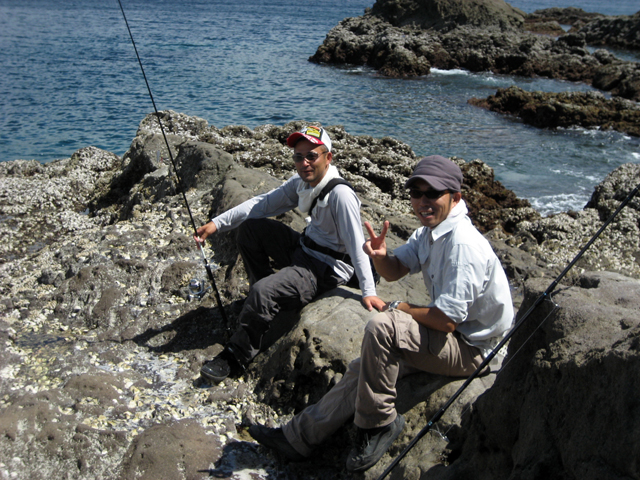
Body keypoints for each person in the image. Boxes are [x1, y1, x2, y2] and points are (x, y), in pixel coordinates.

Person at [248, 155, 514, 472]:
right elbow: (395, 270)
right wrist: (380, 257)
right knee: (364, 367)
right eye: (416, 193)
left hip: (475, 348)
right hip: (451, 335)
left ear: (455, 197)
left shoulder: (463, 246)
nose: (422, 201)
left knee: (383, 327)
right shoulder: (431, 232)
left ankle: (379, 424)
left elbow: (446, 320)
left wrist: (400, 307)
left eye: (433, 193)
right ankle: (298, 438)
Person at [194, 125, 385, 383]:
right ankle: (264, 303)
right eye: (298, 156)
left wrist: (369, 291)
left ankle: (237, 355)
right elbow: (261, 204)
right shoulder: (302, 184)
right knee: (250, 229)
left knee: (263, 291)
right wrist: (216, 224)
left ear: (328, 157)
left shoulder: (340, 195)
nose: (304, 163)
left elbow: (356, 245)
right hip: (304, 248)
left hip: (323, 268)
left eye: (312, 156)